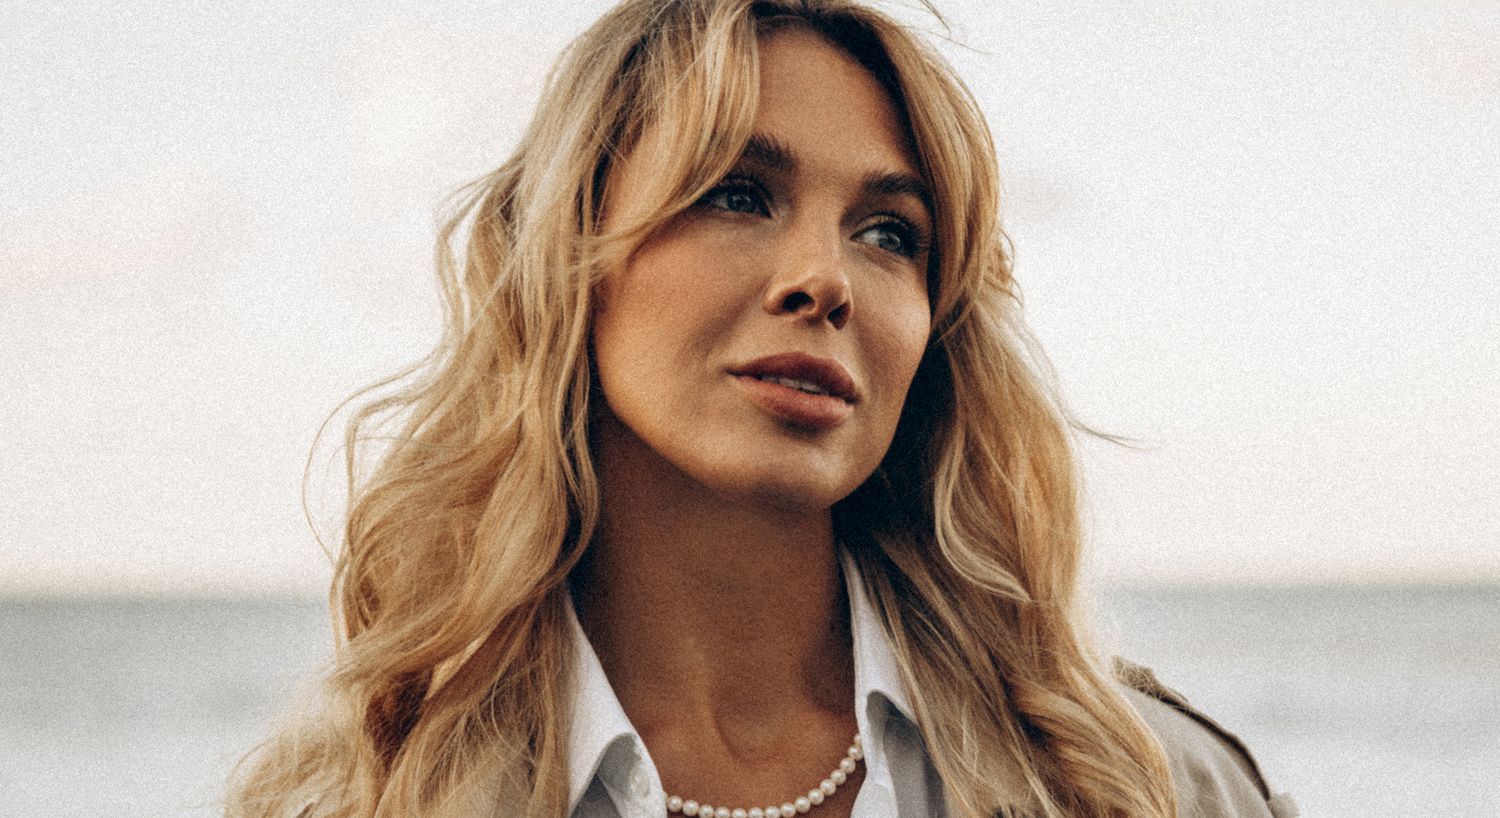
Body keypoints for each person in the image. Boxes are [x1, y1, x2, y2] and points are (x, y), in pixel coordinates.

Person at [228, 1, 1299, 817]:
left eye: (889, 232)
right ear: (568, 262)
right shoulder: (362, 794)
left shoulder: (1141, 783)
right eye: (739, 192)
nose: (824, 278)